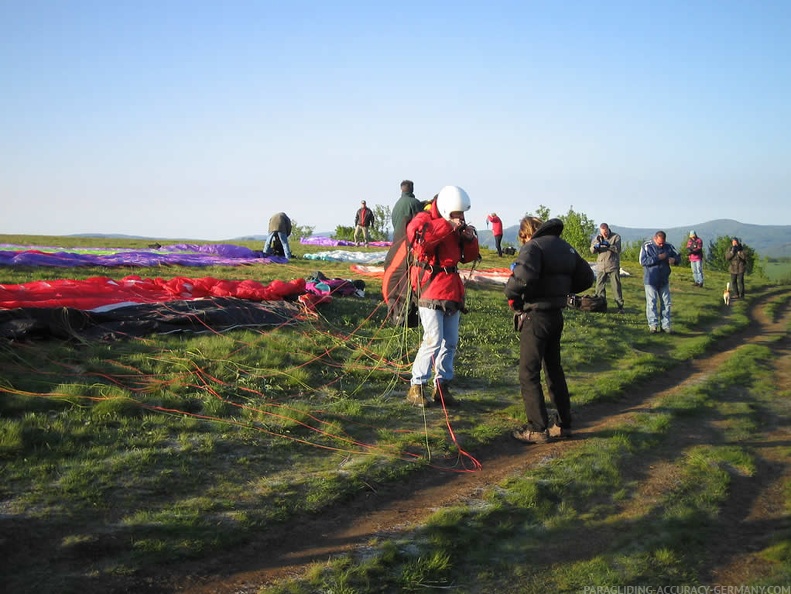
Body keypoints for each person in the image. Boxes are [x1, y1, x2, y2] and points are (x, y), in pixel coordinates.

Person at [504, 216, 594, 444]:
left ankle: (537, 427)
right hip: (556, 315)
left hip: (535, 316)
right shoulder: (565, 247)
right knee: (554, 370)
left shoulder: (533, 248)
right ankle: (564, 423)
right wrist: (560, 289)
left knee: (528, 372)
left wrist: (510, 291)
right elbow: (587, 277)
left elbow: (522, 278)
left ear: (527, 233)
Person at [405, 185, 480, 408]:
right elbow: (421, 244)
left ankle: (442, 386)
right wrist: (447, 226)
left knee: (451, 341)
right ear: (447, 210)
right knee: (433, 339)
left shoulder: (455, 225)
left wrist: (469, 239)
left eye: (462, 214)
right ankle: (416, 386)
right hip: (430, 288)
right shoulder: (423, 219)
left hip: (451, 289)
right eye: (457, 214)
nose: (461, 218)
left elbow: (467, 257)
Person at [639, 231, 680, 333]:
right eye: (659, 243)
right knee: (651, 303)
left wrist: (674, 260)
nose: (661, 245)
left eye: (663, 243)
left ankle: (665, 326)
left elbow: (678, 256)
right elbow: (642, 261)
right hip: (651, 279)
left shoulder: (669, 246)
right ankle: (653, 326)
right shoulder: (646, 246)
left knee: (666, 303)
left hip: (663, 279)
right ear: (655, 238)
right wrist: (657, 258)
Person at [589, 222, 624, 313]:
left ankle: (620, 306)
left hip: (613, 265)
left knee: (616, 286)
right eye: (602, 232)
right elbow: (591, 250)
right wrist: (595, 247)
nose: (604, 234)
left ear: (608, 230)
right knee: (599, 287)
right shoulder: (597, 238)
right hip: (601, 266)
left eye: (606, 232)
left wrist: (608, 245)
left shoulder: (616, 237)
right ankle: (601, 305)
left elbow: (618, 249)